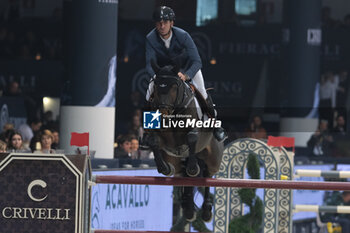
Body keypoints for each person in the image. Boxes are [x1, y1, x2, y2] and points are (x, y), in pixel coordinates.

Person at [144, 6, 226, 142]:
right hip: (164, 73)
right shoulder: (150, 38)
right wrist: (157, 76)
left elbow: (197, 61)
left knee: (202, 92)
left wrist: (186, 75)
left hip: (187, 68)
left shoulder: (183, 36)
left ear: (172, 23)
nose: (162, 25)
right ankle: (150, 131)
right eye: (159, 22)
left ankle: (214, 124)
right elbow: (149, 63)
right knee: (149, 94)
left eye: (165, 22)